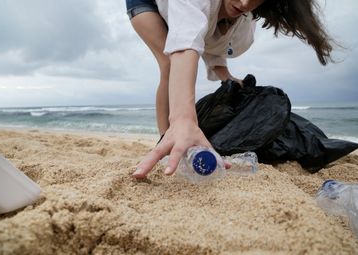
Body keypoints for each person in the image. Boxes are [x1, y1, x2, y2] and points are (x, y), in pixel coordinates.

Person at [126, 0, 334, 178]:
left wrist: (226, 77)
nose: (244, 3)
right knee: (169, 64)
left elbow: (206, 36)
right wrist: (183, 120)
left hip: (196, 13)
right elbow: (186, 41)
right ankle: (167, 138)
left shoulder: (246, 22)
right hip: (148, 3)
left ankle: (176, 136)